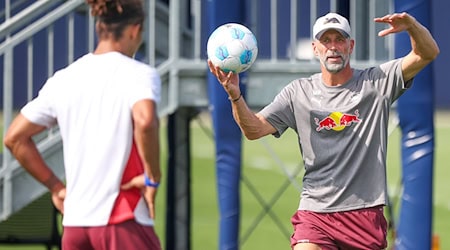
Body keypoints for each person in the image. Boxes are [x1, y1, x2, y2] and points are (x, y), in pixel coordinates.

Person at [208, 12, 439, 250]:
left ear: (351, 46)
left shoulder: (376, 82)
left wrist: (412, 25)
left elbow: (427, 53)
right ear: (315, 48)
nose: (333, 47)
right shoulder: (297, 92)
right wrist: (235, 96)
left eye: (339, 40)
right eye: (325, 41)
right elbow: (254, 129)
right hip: (315, 213)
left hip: (365, 216)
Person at [4, 0, 162, 249]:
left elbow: (14, 137)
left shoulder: (64, 78)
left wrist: (56, 187)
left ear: (99, 26)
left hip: (75, 226)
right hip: (120, 218)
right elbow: (145, 121)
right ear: (135, 29)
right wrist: (153, 177)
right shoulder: (139, 74)